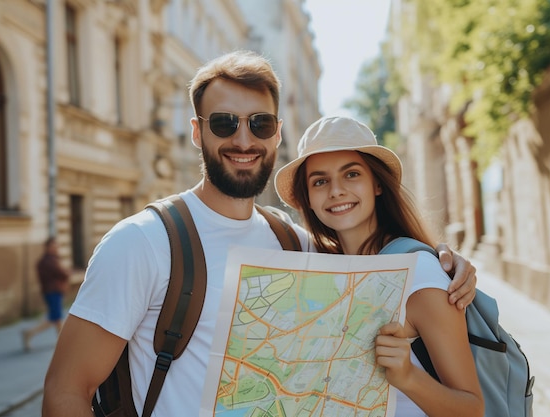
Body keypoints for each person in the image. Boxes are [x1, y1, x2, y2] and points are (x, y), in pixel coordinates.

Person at [42, 50, 477, 417]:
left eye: (260, 124)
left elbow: (377, 260)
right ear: (197, 131)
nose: (244, 140)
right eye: (225, 123)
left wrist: (439, 257)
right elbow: (66, 391)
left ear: (277, 135)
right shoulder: (140, 242)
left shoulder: (294, 240)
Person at [274, 115, 484, 417]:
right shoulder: (325, 269)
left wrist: (410, 378)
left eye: (351, 175)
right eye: (320, 181)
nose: (336, 191)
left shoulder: (420, 273)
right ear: (308, 198)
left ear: (377, 184)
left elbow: (472, 408)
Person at [22, 236, 70, 352]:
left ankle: (61, 342)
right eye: (55, 245)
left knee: (56, 318)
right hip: (53, 292)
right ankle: (30, 333)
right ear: (48, 247)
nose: (57, 247)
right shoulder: (50, 261)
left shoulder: (46, 260)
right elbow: (63, 274)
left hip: (50, 292)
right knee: (55, 318)